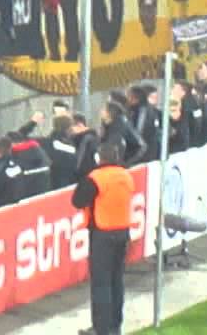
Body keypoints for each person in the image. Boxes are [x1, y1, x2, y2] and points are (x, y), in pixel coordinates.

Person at [71, 142, 134, 335]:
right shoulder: (125, 175)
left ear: (99, 158)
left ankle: (101, 328)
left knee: (101, 283)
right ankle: (115, 325)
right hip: (123, 232)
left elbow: (77, 200)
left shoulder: (96, 178)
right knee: (116, 280)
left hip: (102, 234)